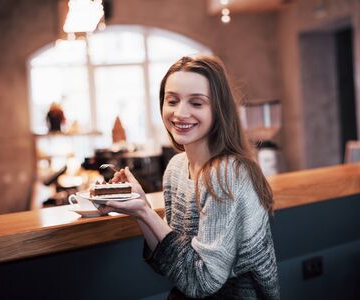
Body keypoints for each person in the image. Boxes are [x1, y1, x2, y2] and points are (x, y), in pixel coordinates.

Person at [99, 55, 280, 299]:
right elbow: (170, 264)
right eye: (172, 100)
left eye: (197, 103)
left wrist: (144, 212)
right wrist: (140, 206)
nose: (180, 113)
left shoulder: (225, 174)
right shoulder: (176, 167)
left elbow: (201, 281)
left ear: (218, 109)